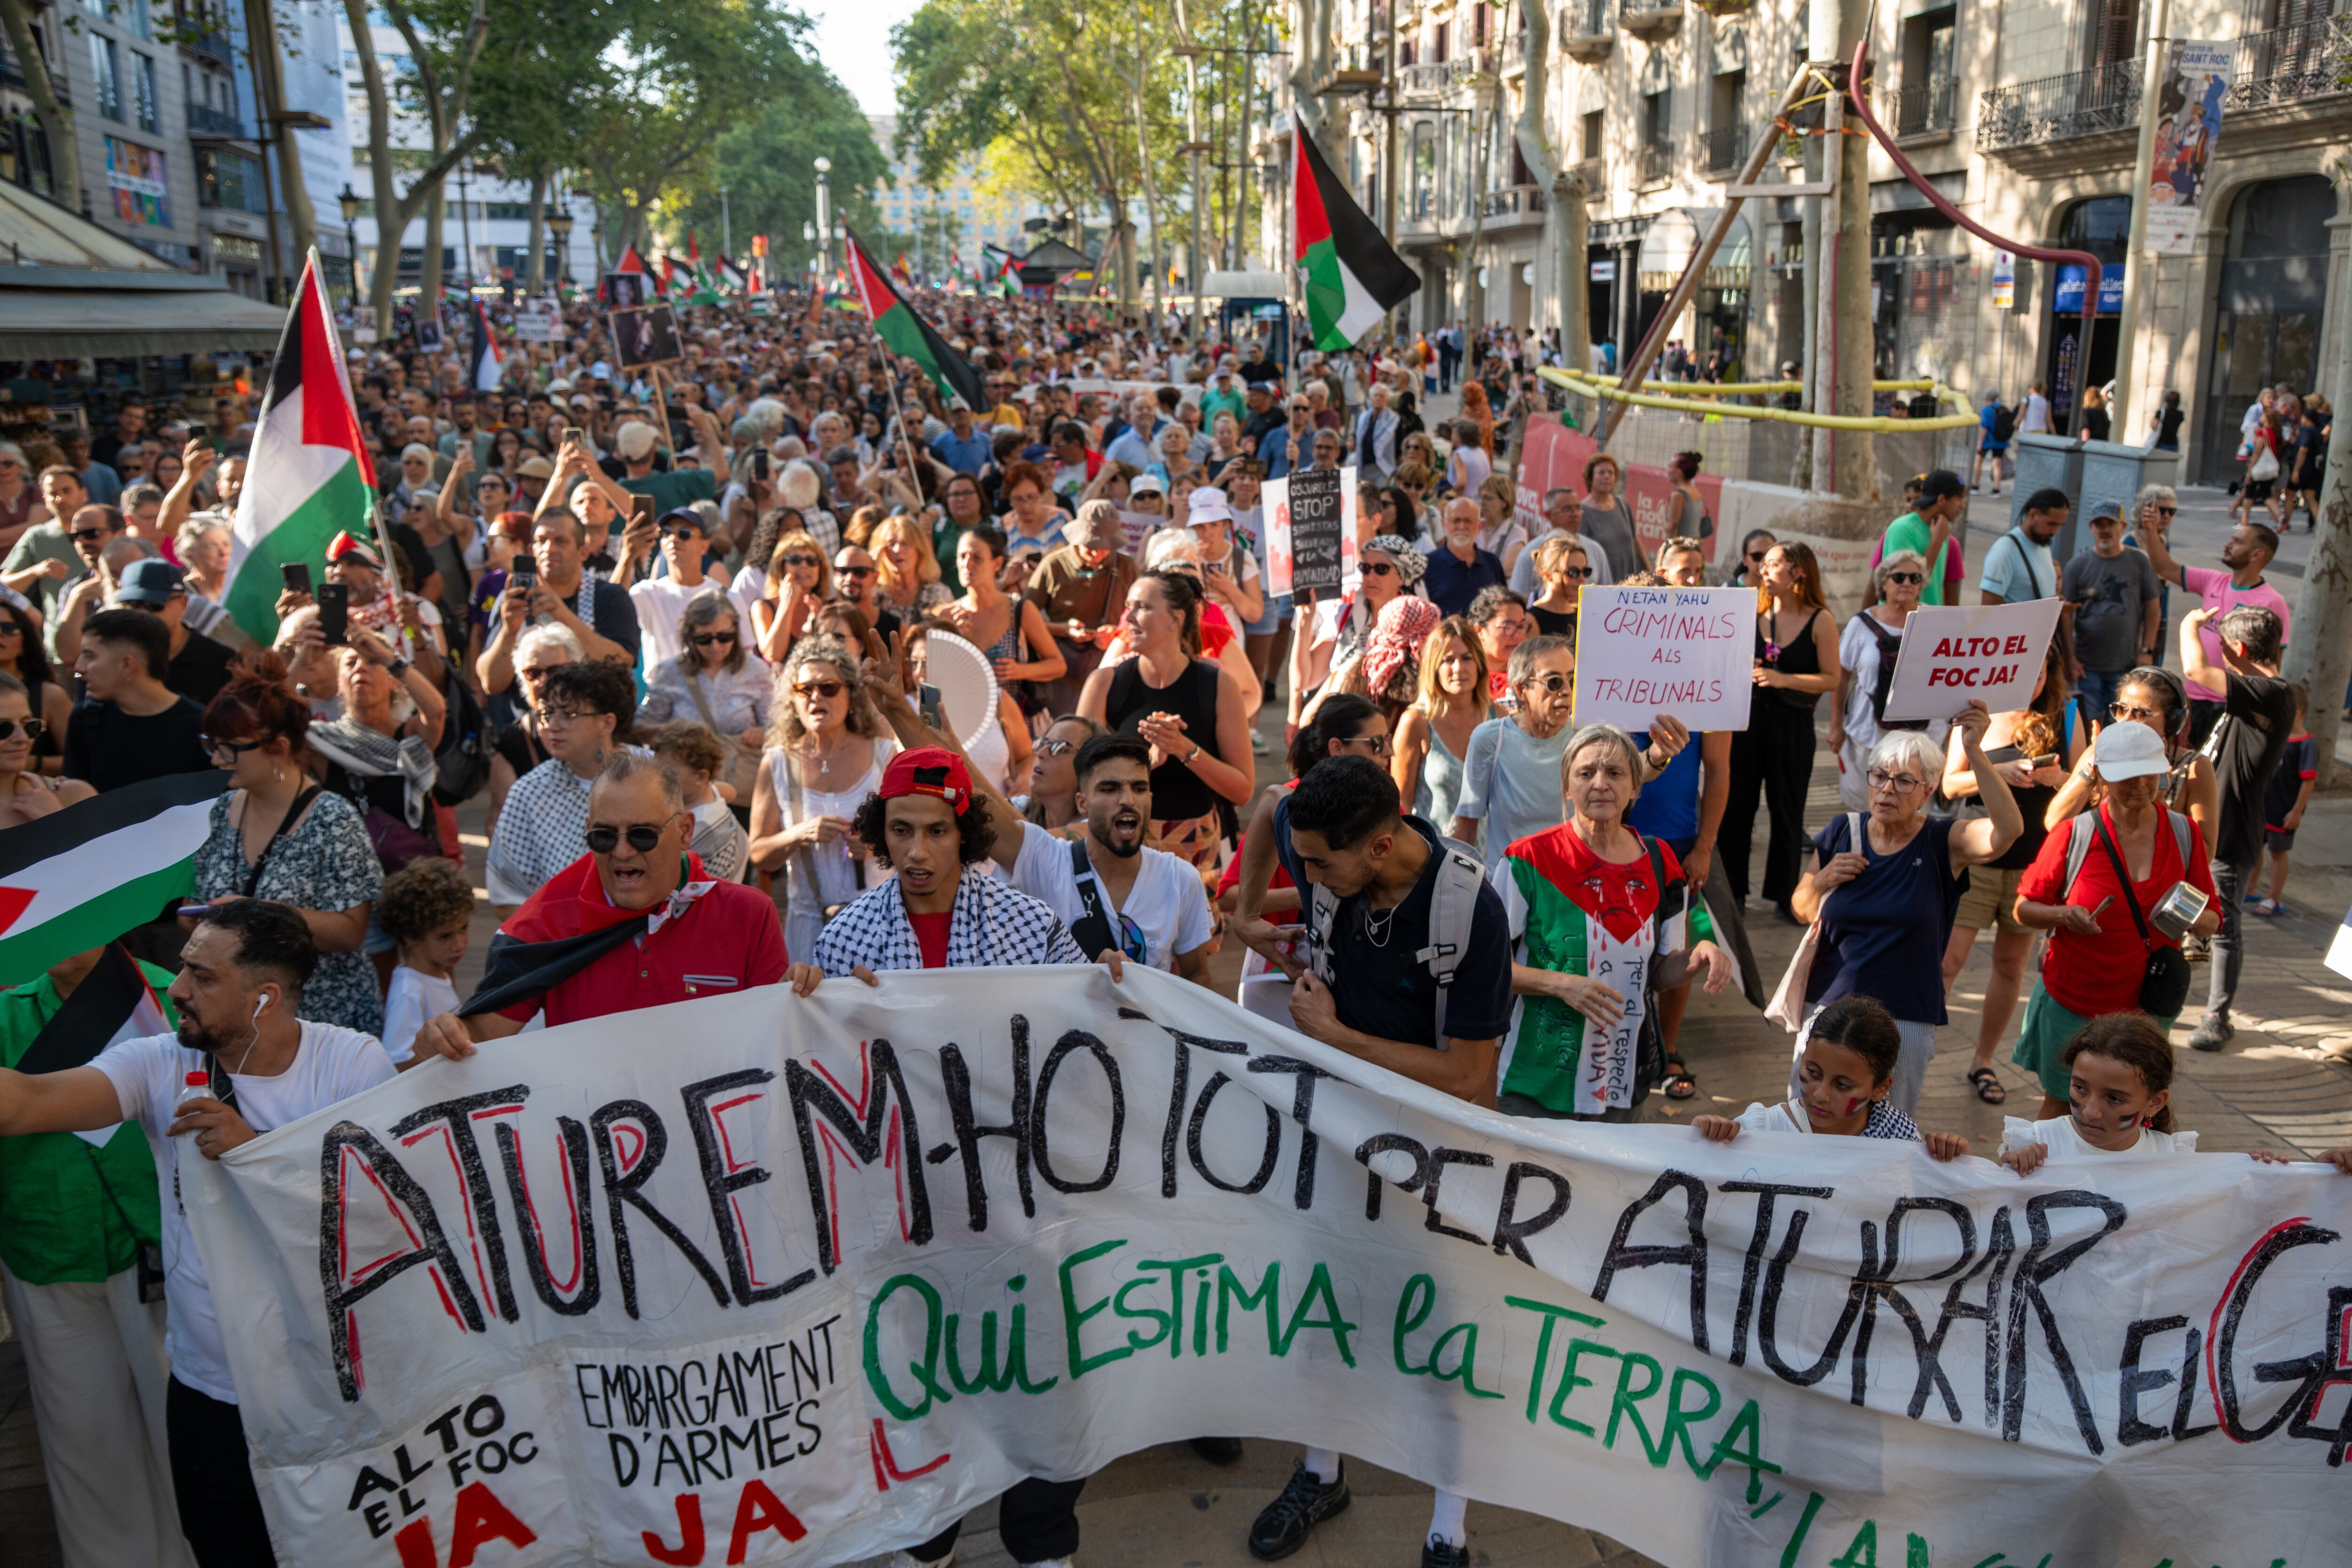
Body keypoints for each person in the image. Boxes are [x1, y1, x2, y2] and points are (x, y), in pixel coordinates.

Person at [0, 899, 399, 1568]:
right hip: (207, 1394)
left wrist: (256, 1151)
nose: (177, 989)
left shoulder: (351, 1065)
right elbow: (27, 1104)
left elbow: (383, 1217)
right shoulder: (156, 1062)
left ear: (265, 997)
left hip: (327, 1393)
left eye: (203, 977)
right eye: (184, 969)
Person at [1229, 753, 1512, 1568]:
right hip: (1338, 1128)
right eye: (1303, 859)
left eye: (1319, 864)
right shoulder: (1319, 832)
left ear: (1382, 846)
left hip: (1436, 1144)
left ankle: (1448, 1527)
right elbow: (1273, 805)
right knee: (1324, 1301)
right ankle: (1322, 1471)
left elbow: (1470, 1076)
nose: (1304, 874)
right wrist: (1249, 914)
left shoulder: (1468, 909)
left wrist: (1340, 1038)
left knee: (1444, 1329)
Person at [0, 939, 197, 1568]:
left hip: (168, 1249)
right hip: (46, 1246)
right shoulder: (6, 1007)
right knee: (84, 1445)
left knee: (187, 1439)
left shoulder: (180, 995)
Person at [412, 751, 787, 1051]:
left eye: (642, 834)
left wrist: (811, 999)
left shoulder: (749, 914)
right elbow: (479, 1038)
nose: (622, 852)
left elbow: (781, 1041)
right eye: (605, 836)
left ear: (685, 831)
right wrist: (443, 1038)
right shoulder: (548, 923)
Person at [1788, 709, 2020, 1115]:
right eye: (1879, 775)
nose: (1886, 789)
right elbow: (1802, 908)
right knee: (1809, 1121)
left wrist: (1974, 752)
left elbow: (2008, 832)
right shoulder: (1843, 831)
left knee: (1886, 1133)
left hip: (1906, 1020)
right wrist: (1823, 879)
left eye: (1904, 781)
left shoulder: (1941, 842)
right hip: (1831, 1011)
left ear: (1926, 791)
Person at [1493, 722, 1728, 1120]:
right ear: (1568, 787)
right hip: (1533, 1083)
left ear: (1636, 787)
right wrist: (1561, 984)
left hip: (1620, 1085)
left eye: (1615, 773)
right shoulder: (1528, 859)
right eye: (1586, 773)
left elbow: (1659, 972)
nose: (1600, 783)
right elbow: (1484, 964)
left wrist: (1697, 957)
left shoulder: (1661, 861)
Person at [2009, 720, 2219, 1119]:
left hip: (2147, 1008)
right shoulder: (2074, 834)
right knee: (2063, 1108)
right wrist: (2064, 914)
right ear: (2103, 775)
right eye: (2127, 775)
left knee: (2139, 1114)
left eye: (2149, 773)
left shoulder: (2184, 832)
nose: (2140, 784)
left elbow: (2213, 912)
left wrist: (2200, 921)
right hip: (2076, 1001)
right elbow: (2024, 908)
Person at [186, 651, 388, 1035]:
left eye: (229, 748)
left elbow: (350, 932)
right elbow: (194, 905)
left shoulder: (332, 818)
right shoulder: (220, 812)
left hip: (319, 1023)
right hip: (238, 1025)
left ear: (278, 747)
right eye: (212, 744)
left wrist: (253, 912)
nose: (216, 760)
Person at [1939, 639, 2085, 1107]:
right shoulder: (1976, 714)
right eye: (2024, 675)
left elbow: (2083, 782)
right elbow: (1947, 784)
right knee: (1946, 961)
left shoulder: (2065, 715)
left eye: (2041, 675)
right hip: (1979, 855)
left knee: (2009, 967)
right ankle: (1908, 1049)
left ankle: (1982, 1060)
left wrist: (2053, 779)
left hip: (2034, 865)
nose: (2033, 684)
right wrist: (2001, 771)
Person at [1081, 568, 1255, 875]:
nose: (1129, 618)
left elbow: (1242, 790)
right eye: (1128, 607)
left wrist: (1186, 749)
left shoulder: (1218, 685)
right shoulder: (1104, 683)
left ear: (1176, 620)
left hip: (1195, 854)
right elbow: (1081, 779)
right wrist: (1147, 762)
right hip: (1120, 849)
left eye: (1143, 607)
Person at [2178, 604, 2296, 1053]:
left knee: (2224, 924)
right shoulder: (2256, 695)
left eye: (2222, 644)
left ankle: (2216, 1017)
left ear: (2240, 648)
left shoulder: (2273, 693)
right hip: (2206, 827)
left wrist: (2189, 625)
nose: (2218, 654)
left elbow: (2194, 670)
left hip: (2231, 833)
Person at [749, 634, 901, 958]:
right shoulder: (777, 762)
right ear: (793, 699)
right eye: (805, 689)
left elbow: (917, 835)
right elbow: (760, 854)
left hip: (880, 919)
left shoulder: (884, 755)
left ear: (851, 693)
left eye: (829, 688)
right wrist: (799, 833)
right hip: (809, 926)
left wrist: (876, 844)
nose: (816, 696)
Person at [1721, 541, 1841, 920]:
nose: (1764, 572)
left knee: (1788, 811)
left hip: (1792, 726)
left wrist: (1782, 678)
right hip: (1747, 723)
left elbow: (1832, 678)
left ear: (1799, 572)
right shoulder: (1749, 610)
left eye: (1774, 565)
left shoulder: (1820, 619)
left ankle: (1786, 895)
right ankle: (1734, 891)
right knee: (1737, 809)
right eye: (1763, 564)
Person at [1692, 996, 1970, 1159]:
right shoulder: (1760, 1128)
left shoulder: (1899, 1140)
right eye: (1813, 1073)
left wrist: (1953, 1160)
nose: (1821, 1094)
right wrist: (1705, 1135)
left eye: (1843, 1085)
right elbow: (1699, 1170)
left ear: (1881, 1089)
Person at [485, 660, 638, 910]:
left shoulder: (652, 776)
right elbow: (508, 895)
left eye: (569, 714)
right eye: (548, 713)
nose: (553, 726)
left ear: (607, 723)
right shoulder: (530, 792)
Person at [2133, 516, 2290, 746]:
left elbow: (2273, 663)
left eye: (2238, 542)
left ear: (2257, 555)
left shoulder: (2272, 602)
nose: (2228, 545)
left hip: (2231, 701)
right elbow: (2165, 567)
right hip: (2194, 698)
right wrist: (2150, 530)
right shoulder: (2214, 581)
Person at [2000, 1014, 2211, 1175]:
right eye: (2080, 1088)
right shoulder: (2037, 1143)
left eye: (2114, 1098)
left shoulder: (2172, 1159)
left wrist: (2244, 1175)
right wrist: (2013, 1170)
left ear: (2154, 1103)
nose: (2091, 1112)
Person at [475, 509, 639, 699]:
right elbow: (491, 684)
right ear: (531, 551)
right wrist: (509, 632)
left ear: (583, 551)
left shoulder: (609, 597)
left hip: (589, 720)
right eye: (541, 541)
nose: (549, 549)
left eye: (561, 541)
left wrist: (563, 616)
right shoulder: (514, 599)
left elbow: (621, 666)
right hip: (529, 723)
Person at [1828, 550, 1943, 811]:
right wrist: (1836, 726)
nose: (1907, 583)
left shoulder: (1938, 622)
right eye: (1899, 577)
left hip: (1923, 740)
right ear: (1883, 582)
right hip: (1869, 736)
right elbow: (1841, 676)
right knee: (1865, 810)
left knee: (1915, 814)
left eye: (1915, 578)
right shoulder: (1861, 625)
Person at [636, 589, 770, 813]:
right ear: (689, 636)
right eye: (704, 639)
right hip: (685, 793)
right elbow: (641, 726)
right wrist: (672, 732)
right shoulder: (671, 671)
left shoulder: (755, 670)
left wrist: (762, 733)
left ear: (736, 633)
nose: (715, 646)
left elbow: (776, 725)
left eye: (724, 637)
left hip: (741, 790)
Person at [1453, 635, 1581, 868]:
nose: (1566, 690)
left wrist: (1657, 757)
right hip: (1509, 888)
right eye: (1554, 682)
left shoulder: (1584, 737)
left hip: (1569, 887)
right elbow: (1467, 823)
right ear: (1522, 690)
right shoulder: (1490, 739)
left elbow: (1628, 776)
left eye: (1572, 680)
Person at [64, 608, 209, 790]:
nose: (79, 668)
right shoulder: (86, 719)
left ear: (127, 665)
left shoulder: (203, 726)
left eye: (89, 656)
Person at [2060, 504, 2161, 713]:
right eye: (2099, 525)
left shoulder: (2139, 561)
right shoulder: (2077, 565)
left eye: (2111, 524)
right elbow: (2065, 614)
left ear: (2123, 527)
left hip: (2125, 665)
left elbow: (2153, 608)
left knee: (2121, 722)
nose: (2105, 530)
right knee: (2091, 727)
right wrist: (2070, 659)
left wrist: (2146, 651)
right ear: (2091, 528)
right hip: (2086, 669)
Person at [1390, 616, 1487, 828]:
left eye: (1467, 658)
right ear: (1434, 667)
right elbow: (1400, 805)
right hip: (1437, 855)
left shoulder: (1498, 717)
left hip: (1493, 858)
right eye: (1448, 660)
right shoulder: (1416, 722)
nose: (1458, 668)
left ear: (1480, 663)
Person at [375, 856, 473, 1063]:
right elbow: (398, 1060)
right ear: (411, 937)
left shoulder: (436, 973)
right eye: (445, 936)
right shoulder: (409, 992)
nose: (459, 944)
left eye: (463, 929)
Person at [111, 558, 233, 704]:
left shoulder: (223, 663)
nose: (142, 613)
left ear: (183, 604)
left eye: (154, 604)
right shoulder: (116, 660)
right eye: (132, 604)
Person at [651, 720, 751, 882]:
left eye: (671, 773)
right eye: (657, 768)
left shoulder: (701, 829)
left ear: (701, 777)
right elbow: (730, 791)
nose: (658, 778)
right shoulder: (709, 792)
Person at [628, 507, 726, 668]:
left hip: (711, 691)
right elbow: (612, 608)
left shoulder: (724, 596)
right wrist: (628, 555)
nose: (674, 539)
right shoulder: (646, 593)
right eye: (667, 532)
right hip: (662, 691)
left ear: (704, 546)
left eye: (685, 533)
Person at [2255, 683, 2315, 916]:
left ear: (2296, 713)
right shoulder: (2274, 737)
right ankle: (2251, 888)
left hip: (2284, 810)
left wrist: (2297, 812)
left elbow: (2308, 782)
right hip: (2263, 807)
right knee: (2256, 847)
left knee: (2278, 853)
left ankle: (2274, 897)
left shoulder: (2307, 745)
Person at [1874, 469, 1964, 606]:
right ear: (1942, 500)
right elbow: (1908, 583)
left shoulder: (1940, 529)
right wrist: (1937, 541)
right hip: (1901, 621)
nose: (1963, 506)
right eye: (1959, 499)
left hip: (1930, 620)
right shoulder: (1902, 529)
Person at [1422, 496, 1507, 617]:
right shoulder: (1427, 564)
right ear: (1443, 524)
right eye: (1455, 521)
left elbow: (1503, 608)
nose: (1462, 527)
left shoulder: (1492, 563)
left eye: (1468, 521)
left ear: (1480, 526)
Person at [1572, 453, 1638, 581]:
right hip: (1601, 582)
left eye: (1611, 473)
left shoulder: (1623, 506)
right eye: (1601, 473)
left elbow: (1634, 540)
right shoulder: (1581, 512)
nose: (1607, 477)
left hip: (1629, 582)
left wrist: (1648, 569)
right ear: (1591, 478)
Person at [1465, 586, 1528, 711]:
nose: (1519, 635)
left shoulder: (1532, 675)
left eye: (1522, 626)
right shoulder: (1463, 676)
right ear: (1479, 631)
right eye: (1507, 626)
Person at [1524, 534, 1589, 639]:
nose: (1582, 578)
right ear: (1548, 575)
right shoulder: (1532, 620)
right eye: (1573, 572)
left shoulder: (1583, 615)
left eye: (1586, 571)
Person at [1972, 391, 2013, 496]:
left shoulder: (1986, 410)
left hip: (1987, 441)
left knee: (1979, 461)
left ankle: (1976, 486)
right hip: (2001, 441)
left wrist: (1980, 443)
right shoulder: (2003, 408)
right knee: (1997, 464)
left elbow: (1984, 427)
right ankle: (1996, 489)